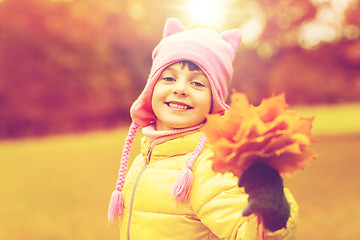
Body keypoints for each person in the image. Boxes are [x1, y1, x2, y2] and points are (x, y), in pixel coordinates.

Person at [108, 18, 298, 240]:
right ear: (151, 89)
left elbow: (250, 233)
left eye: (197, 83)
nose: (180, 89)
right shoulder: (146, 157)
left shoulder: (210, 168)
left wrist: (273, 218)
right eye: (168, 78)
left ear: (214, 102)